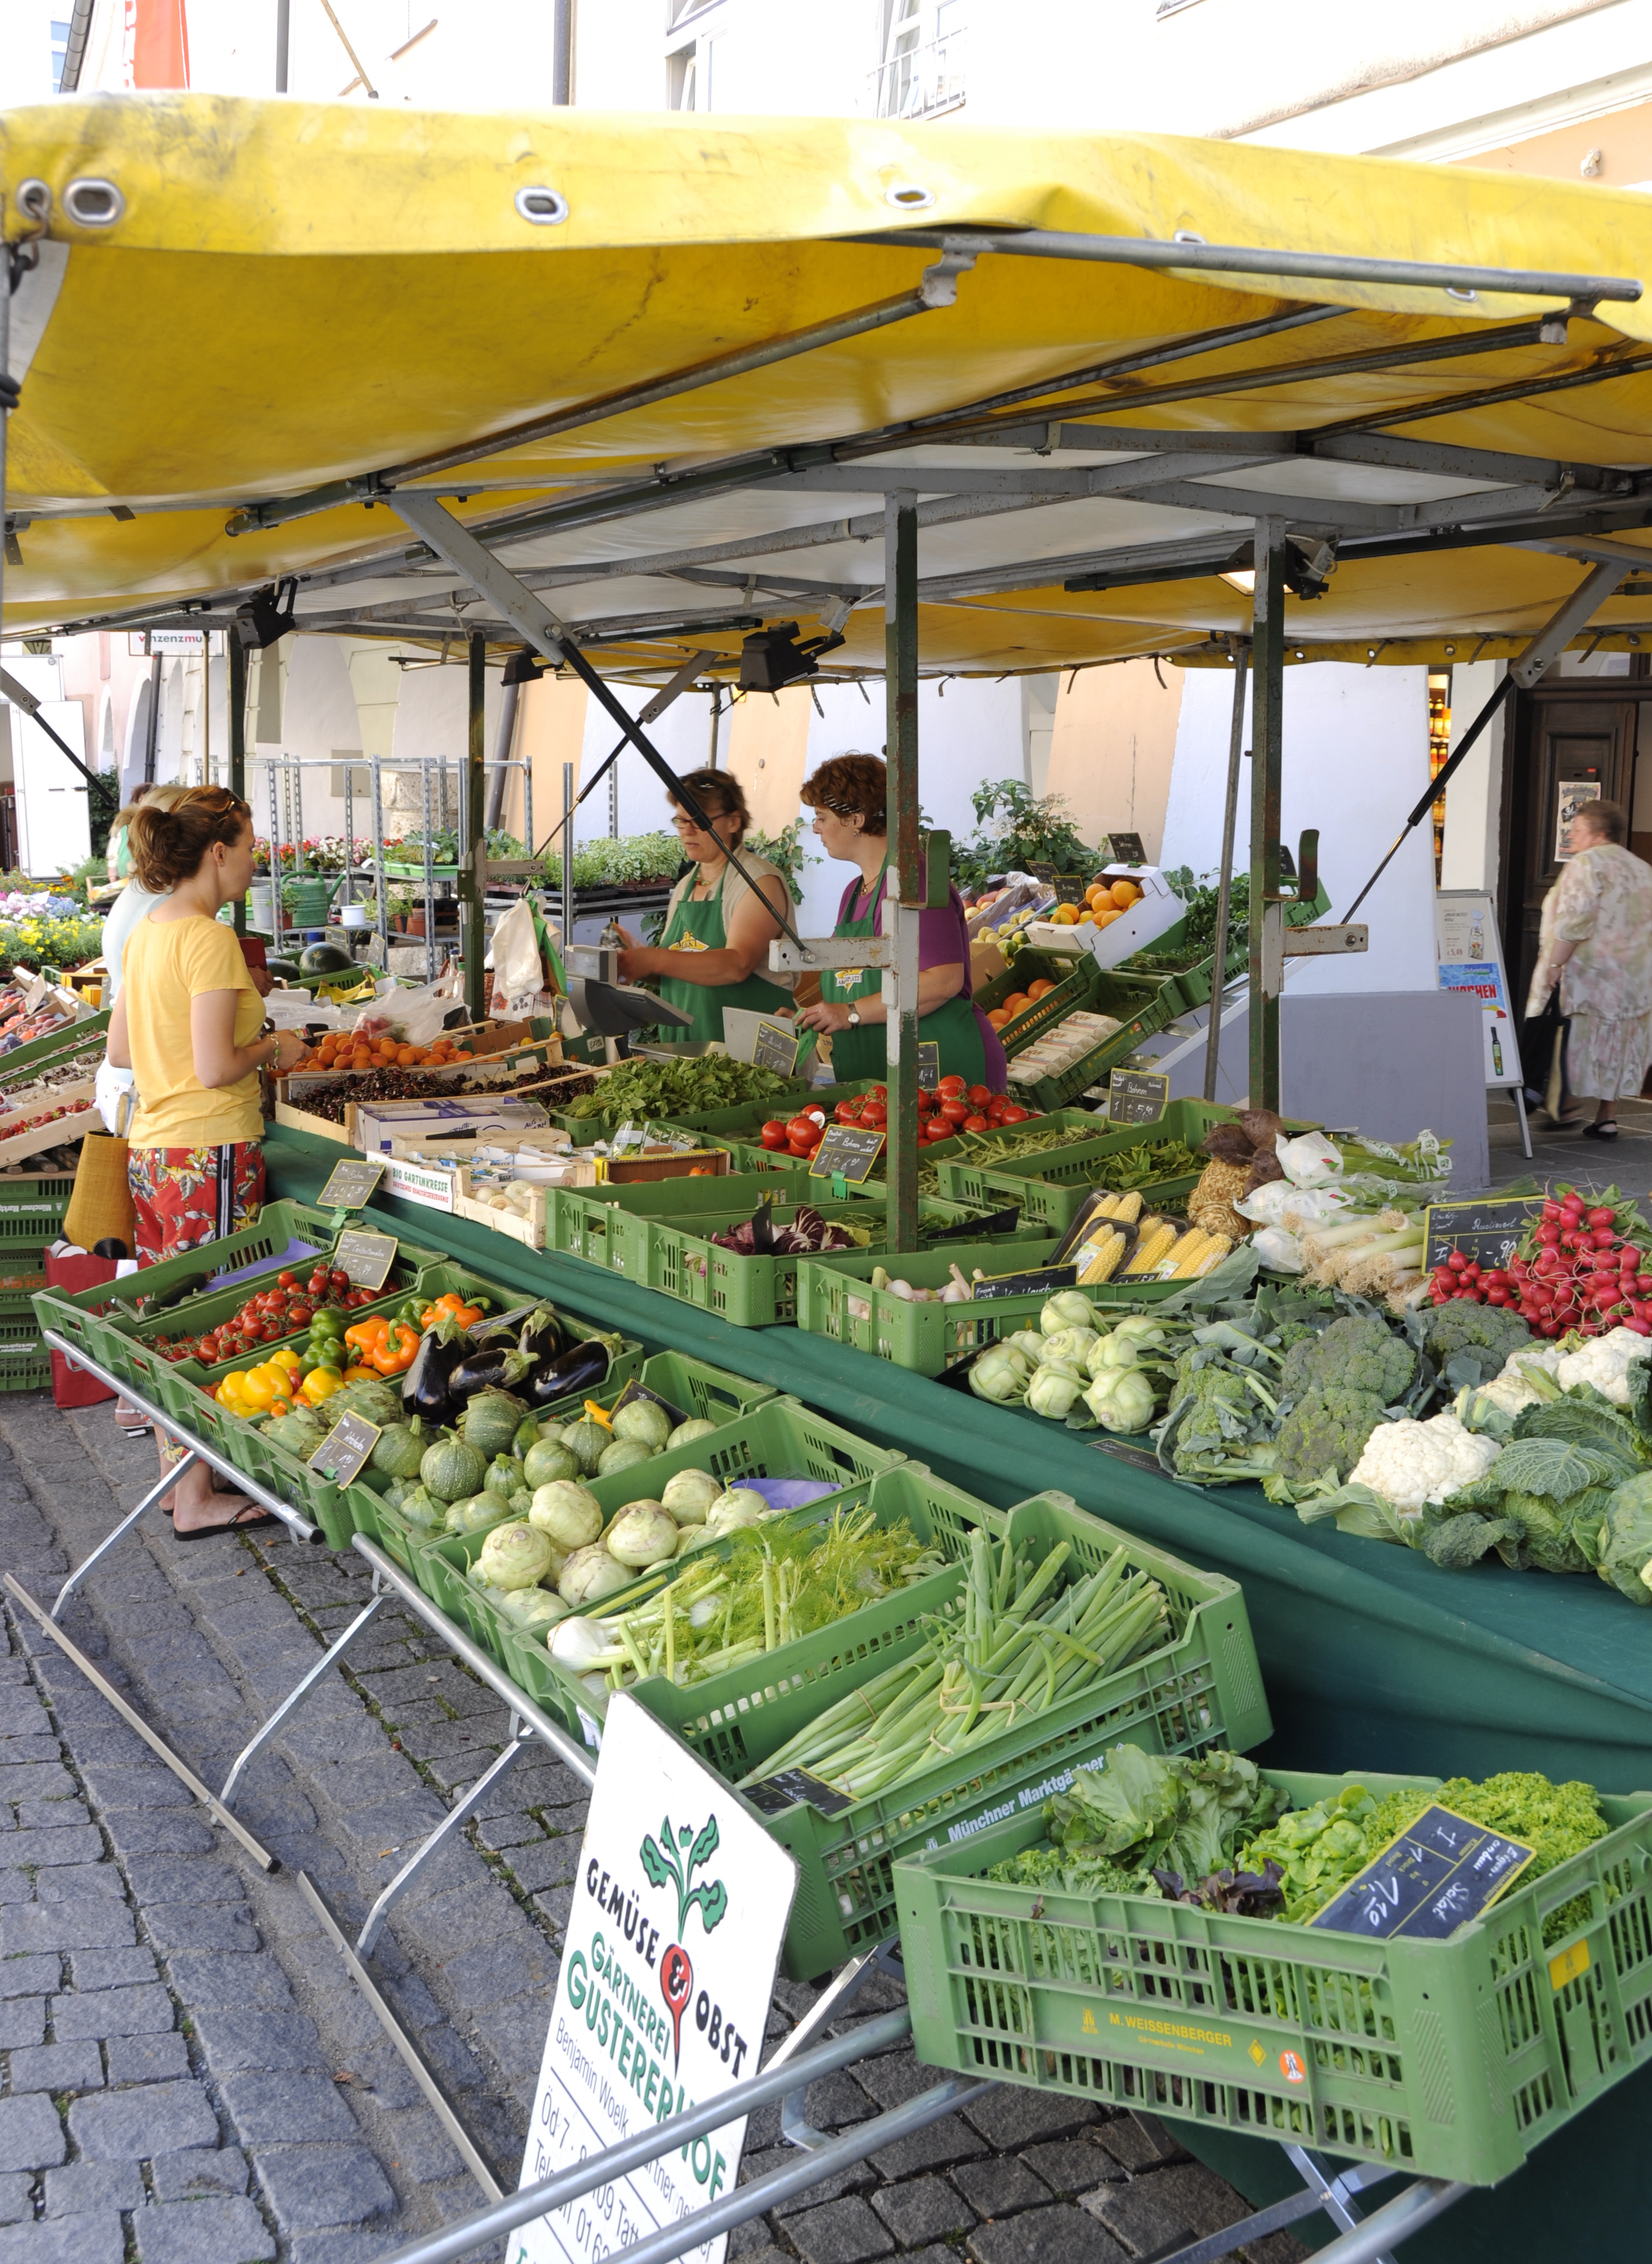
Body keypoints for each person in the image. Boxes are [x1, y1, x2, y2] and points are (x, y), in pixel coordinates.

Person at [105, 786, 309, 1535]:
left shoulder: (148, 930)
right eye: (252, 849)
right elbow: (218, 1065)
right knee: (208, 1320)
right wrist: (275, 1047)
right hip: (210, 1152)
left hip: (155, 1152)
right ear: (217, 851)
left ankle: (176, 1480)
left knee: (169, 1318)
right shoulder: (208, 937)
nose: (255, 863)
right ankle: (195, 1500)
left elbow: (122, 1050)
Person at [792, 752, 1009, 1088]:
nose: (816, 827)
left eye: (822, 816)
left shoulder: (914, 883)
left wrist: (850, 1012)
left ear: (855, 820)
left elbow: (943, 980)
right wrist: (812, 1018)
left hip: (942, 1071)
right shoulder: (853, 893)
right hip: (879, 1071)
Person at [613, 768, 795, 1041]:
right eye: (680, 820)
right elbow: (677, 970)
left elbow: (736, 965)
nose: (687, 830)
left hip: (749, 1056)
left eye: (698, 820)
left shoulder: (758, 882)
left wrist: (653, 957)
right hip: (686, 1053)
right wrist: (633, 962)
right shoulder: (687, 886)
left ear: (734, 822)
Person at [1526, 798, 1652, 1141]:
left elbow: (1577, 919)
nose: (1572, 836)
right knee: (1620, 1043)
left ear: (1599, 833)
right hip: (1635, 978)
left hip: (1592, 975)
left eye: (1578, 830)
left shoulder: (1587, 863)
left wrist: (1555, 963)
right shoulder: (1642, 868)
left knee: (1571, 1037)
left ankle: (1564, 1103)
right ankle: (1607, 1117)